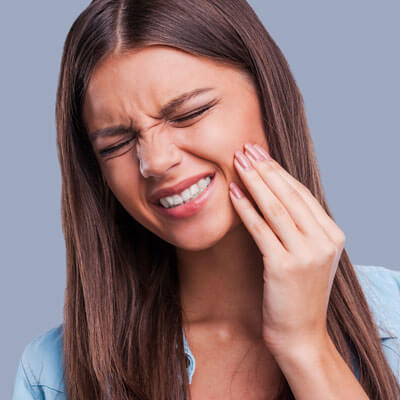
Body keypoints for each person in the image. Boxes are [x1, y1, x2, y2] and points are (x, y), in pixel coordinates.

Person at [12, 0, 400, 399]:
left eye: (189, 113)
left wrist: (305, 346)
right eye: (118, 144)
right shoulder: (51, 374)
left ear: (269, 97)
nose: (155, 162)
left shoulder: (395, 317)